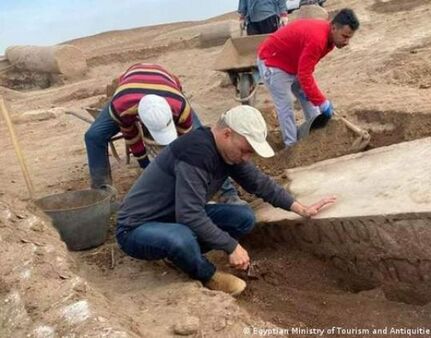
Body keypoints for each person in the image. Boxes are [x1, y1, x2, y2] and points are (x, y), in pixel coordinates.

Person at [116, 105, 336, 296]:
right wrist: (231, 246)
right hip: (136, 228)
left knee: (243, 218)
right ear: (227, 134)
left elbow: (259, 183)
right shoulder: (196, 154)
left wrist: (300, 208)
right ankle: (208, 275)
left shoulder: (227, 151)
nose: (246, 157)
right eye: (245, 150)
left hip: (174, 218)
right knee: (181, 238)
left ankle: (182, 255)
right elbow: (190, 214)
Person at [84, 63, 243, 203]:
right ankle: (103, 195)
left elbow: (188, 143)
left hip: (167, 85)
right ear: (139, 118)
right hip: (129, 90)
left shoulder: (180, 107)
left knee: (203, 140)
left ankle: (228, 192)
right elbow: (132, 136)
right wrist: (146, 166)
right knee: (93, 137)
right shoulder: (122, 108)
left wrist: (185, 175)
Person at [257, 8, 359, 146]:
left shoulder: (329, 39)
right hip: (272, 60)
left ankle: (317, 134)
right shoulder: (318, 39)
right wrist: (323, 102)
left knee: (311, 99)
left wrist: (314, 97)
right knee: (286, 104)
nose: (347, 42)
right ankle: (291, 147)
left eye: (349, 37)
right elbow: (305, 74)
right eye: (345, 36)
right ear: (334, 27)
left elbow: (306, 70)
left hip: (292, 63)